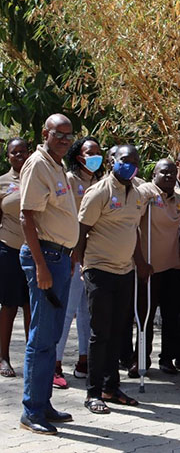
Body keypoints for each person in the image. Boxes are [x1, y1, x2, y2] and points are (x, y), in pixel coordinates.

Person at [75, 144, 157, 414]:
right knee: (100, 333)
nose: (130, 165)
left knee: (118, 331)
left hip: (125, 271)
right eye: (124, 160)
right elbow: (82, 231)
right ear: (111, 162)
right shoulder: (98, 192)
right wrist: (80, 266)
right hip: (99, 270)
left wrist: (141, 262)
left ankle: (111, 387)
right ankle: (93, 392)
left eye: (135, 161)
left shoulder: (136, 193)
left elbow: (132, 230)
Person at [18, 114, 78, 434]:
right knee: (41, 338)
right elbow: (27, 217)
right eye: (59, 134)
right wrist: (41, 266)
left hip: (60, 258)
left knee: (51, 338)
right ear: (45, 133)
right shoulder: (37, 164)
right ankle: (31, 411)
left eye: (70, 135)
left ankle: (44, 402)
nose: (66, 140)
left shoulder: (57, 166)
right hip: (46, 258)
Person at [132, 160, 180, 377]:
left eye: (173, 173)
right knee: (145, 314)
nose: (170, 176)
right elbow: (132, 224)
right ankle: (140, 359)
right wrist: (140, 262)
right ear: (154, 174)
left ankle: (168, 359)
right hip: (149, 266)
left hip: (174, 265)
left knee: (173, 316)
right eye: (164, 172)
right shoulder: (145, 192)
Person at [54, 137, 103, 387]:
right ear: (78, 156)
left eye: (97, 152)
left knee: (87, 310)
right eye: (89, 152)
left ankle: (85, 359)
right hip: (74, 251)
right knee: (68, 308)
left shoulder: (101, 182)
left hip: (96, 254)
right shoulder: (71, 180)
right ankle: (56, 362)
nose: (94, 157)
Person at [0, 138, 31, 379]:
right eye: (14, 152)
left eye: (23, 151)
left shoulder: (39, 176)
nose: (19, 155)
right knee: (9, 306)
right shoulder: (2, 183)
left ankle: (33, 360)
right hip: (9, 250)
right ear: (8, 156)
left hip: (37, 252)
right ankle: (3, 358)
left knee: (32, 307)